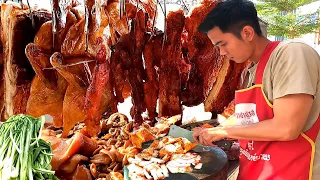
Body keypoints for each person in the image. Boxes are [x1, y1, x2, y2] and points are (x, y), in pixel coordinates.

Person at [192, 0, 320, 179]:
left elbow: (286, 128)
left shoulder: (291, 54)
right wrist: (211, 131)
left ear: (247, 32)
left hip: (291, 172)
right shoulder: (248, 71)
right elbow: (248, 117)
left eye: (223, 44)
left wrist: (223, 132)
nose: (221, 53)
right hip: (255, 170)